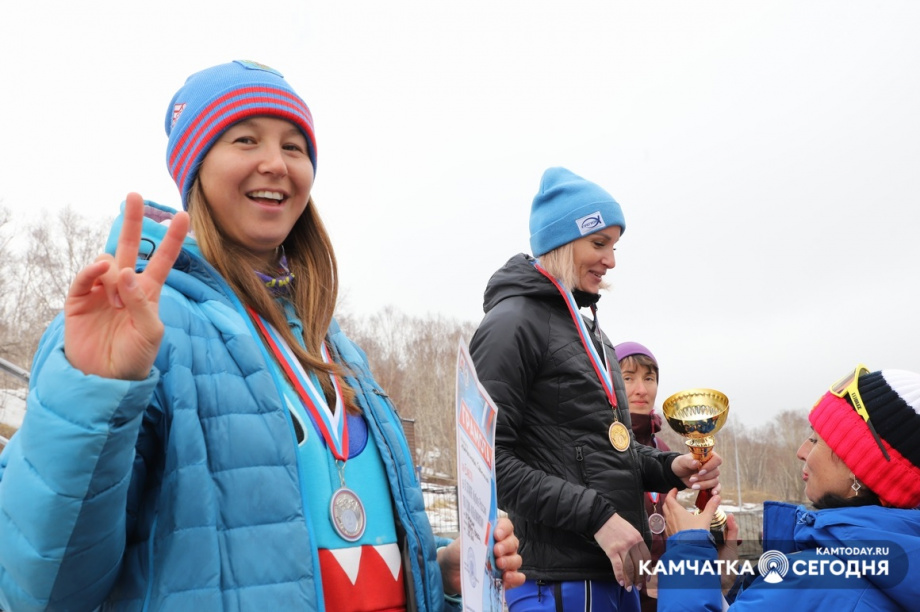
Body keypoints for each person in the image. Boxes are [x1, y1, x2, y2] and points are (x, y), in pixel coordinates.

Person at [0, 60, 524, 612]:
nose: (275, 163)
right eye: (245, 139)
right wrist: (92, 393)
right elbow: (41, 589)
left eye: (294, 147)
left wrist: (438, 573)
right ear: (196, 167)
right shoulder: (141, 326)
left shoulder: (335, 346)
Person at [468, 167, 722, 612]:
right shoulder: (512, 324)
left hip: (613, 575)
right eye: (599, 244)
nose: (611, 261)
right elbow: (489, 464)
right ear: (562, 242)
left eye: (614, 246)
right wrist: (598, 517)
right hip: (556, 582)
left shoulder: (591, 334)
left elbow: (608, 450)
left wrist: (670, 467)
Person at [658, 366, 920, 611]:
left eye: (815, 440)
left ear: (859, 466)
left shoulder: (815, 579)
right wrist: (725, 587)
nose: (801, 451)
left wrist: (687, 552)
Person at [615, 342, 670, 612]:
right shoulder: (597, 447)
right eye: (628, 378)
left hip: (664, 595)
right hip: (618, 594)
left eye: (649, 378)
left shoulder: (664, 451)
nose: (641, 389)